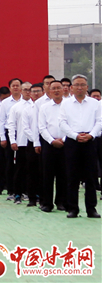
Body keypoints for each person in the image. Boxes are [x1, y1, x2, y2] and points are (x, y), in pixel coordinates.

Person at [58, 74, 101, 218]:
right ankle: (73, 208)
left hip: (90, 140)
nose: (79, 87)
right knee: (72, 176)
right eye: (76, 85)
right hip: (72, 141)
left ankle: (91, 209)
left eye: (82, 85)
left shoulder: (95, 103)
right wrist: (75, 135)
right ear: (71, 88)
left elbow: (100, 121)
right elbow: (62, 122)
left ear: (87, 87)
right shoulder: (66, 103)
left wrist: (91, 135)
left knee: (91, 176)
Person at [37, 80, 67, 212]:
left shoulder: (68, 105)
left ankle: (61, 202)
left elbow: (72, 125)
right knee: (47, 175)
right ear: (49, 91)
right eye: (53, 88)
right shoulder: (44, 107)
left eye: (58, 88)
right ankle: (47, 203)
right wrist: (51, 140)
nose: (56, 90)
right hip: (49, 143)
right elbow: (41, 127)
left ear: (63, 89)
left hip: (66, 143)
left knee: (63, 174)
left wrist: (64, 139)